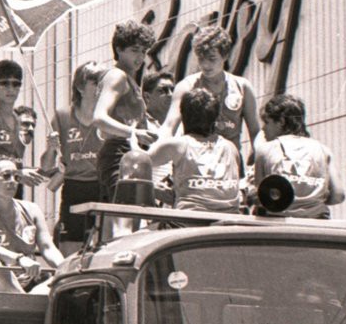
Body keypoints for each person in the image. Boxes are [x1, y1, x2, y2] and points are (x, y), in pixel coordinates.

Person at [161, 25, 260, 153]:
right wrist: (158, 147)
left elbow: (255, 132)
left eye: (212, 59)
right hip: (195, 162)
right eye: (201, 59)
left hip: (230, 162)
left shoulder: (242, 87)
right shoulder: (187, 87)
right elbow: (169, 125)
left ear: (225, 56)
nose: (205, 65)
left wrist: (261, 158)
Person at [0, 158, 65, 288]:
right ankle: (23, 303)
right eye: (6, 176)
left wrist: (65, 269)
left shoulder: (32, 209)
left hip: (28, 281)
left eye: (17, 177)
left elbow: (47, 248)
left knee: (61, 283)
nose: (12, 181)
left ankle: (25, 302)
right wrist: (19, 259)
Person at [93, 21, 157, 204]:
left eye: (144, 51)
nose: (140, 57)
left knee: (134, 216)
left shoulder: (130, 80)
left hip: (130, 152)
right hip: (118, 154)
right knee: (125, 217)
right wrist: (134, 133)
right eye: (135, 50)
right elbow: (99, 118)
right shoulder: (117, 76)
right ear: (119, 49)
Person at [149, 88, 241, 213]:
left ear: (183, 115)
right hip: (228, 223)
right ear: (216, 117)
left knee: (144, 232)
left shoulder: (177, 145)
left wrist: (153, 189)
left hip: (188, 224)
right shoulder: (231, 148)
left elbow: (135, 163)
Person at [253, 94, 345, 218]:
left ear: (281, 121)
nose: (263, 128)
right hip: (317, 224)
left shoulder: (264, 150)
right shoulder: (324, 150)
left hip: (279, 225)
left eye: (267, 122)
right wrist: (311, 203)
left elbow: (261, 199)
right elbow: (338, 196)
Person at [46, 61, 105, 251]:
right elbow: (46, 166)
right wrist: (51, 148)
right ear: (80, 87)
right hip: (75, 187)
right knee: (71, 247)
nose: (101, 85)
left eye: (104, 80)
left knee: (103, 245)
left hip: (102, 186)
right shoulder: (63, 116)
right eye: (95, 81)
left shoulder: (109, 116)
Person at [141, 70, 176, 205]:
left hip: (175, 201)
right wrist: (152, 188)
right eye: (163, 91)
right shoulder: (140, 125)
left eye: (172, 90)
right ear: (147, 97)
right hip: (148, 199)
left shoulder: (181, 126)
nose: (170, 95)